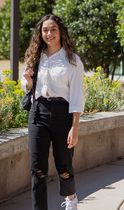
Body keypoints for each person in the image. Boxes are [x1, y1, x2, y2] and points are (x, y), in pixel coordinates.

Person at [21, 14, 85, 210]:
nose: (49, 33)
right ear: (40, 34)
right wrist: (28, 82)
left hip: (62, 114)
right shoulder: (34, 57)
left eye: (53, 29)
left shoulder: (72, 60)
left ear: (60, 32)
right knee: (37, 169)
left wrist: (74, 128)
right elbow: (27, 86)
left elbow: (76, 96)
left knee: (64, 166)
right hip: (38, 113)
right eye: (45, 30)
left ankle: (71, 198)